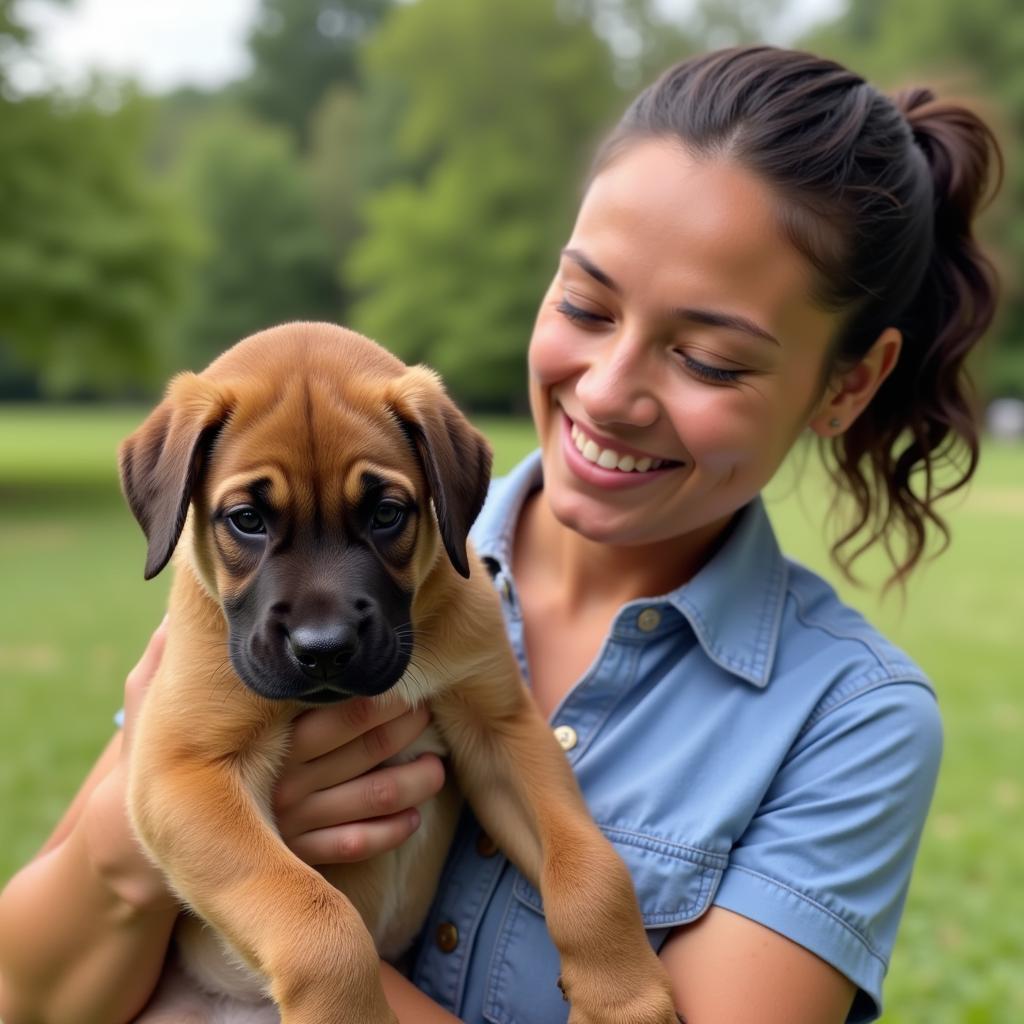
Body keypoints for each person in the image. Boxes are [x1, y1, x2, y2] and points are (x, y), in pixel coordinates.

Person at [0, 45, 1002, 1024]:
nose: (608, 394)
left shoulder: (845, 723)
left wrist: (341, 981)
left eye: (705, 357)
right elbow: (28, 989)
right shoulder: (224, 607)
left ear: (848, 383)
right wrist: (134, 845)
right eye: (583, 302)